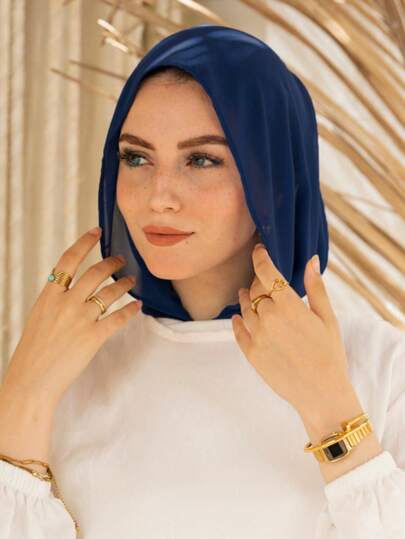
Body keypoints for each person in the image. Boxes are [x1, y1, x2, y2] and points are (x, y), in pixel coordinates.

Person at [0, 24, 404, 539]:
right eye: (136, 157)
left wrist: (331, 412)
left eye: (202, 160)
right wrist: (23, 397)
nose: (159, 196)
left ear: (275, 180)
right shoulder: (69, 371)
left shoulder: (382, 367)